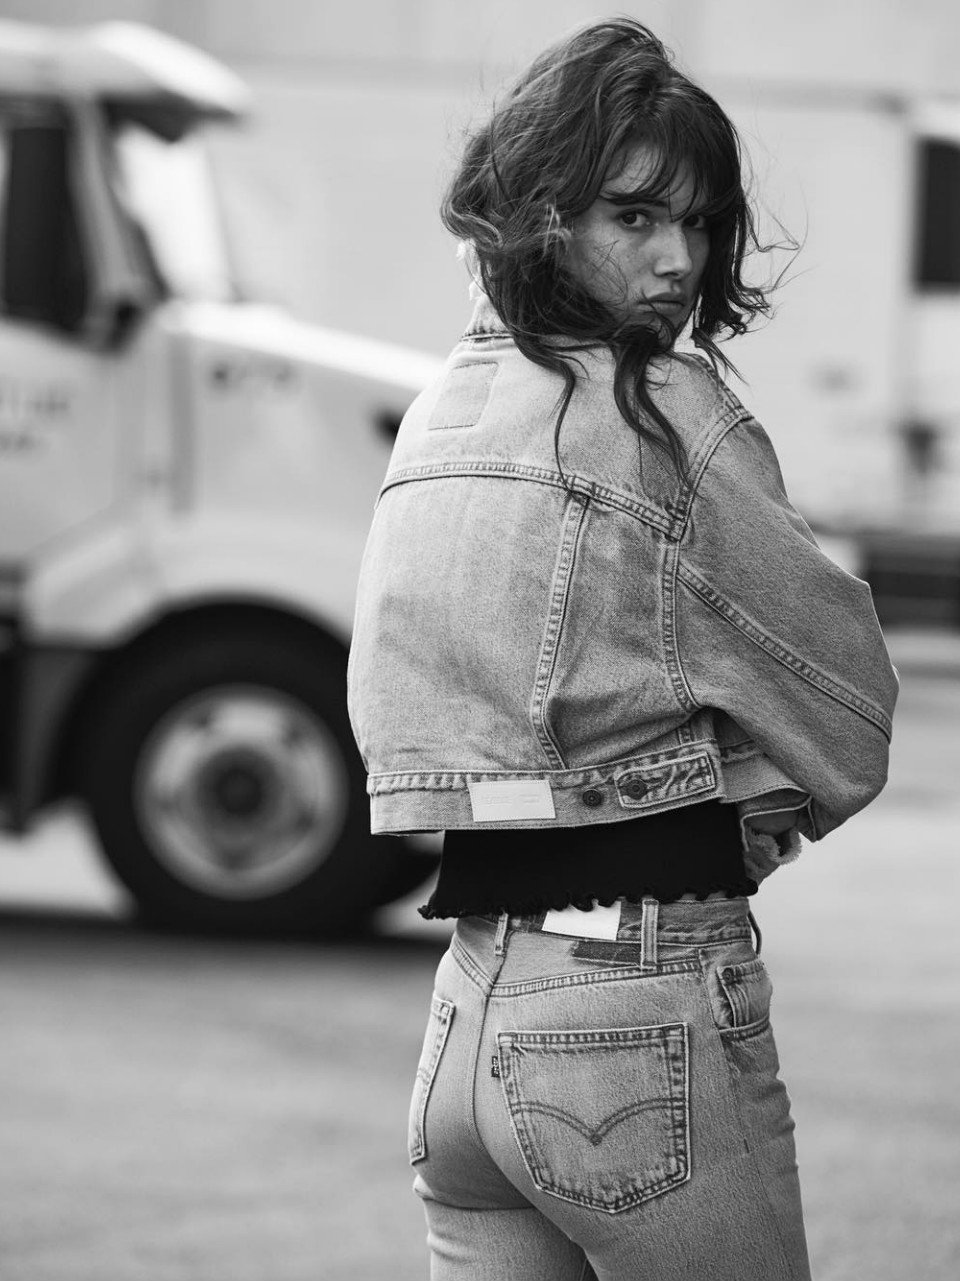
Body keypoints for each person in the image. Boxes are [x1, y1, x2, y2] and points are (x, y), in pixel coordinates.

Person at [347, 18, 898, 1281]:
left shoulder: (440, 412)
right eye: (633, 216)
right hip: (634, 1009)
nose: (677, 260)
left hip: (466, 1017)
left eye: (697, 223)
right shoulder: (664, 413)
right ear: (541, 214)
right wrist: (752, 812)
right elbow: (849, 706)